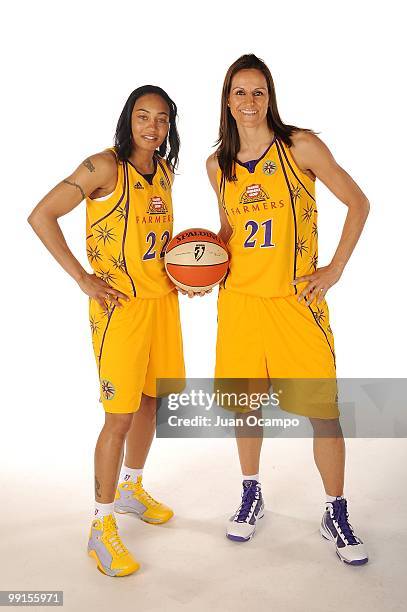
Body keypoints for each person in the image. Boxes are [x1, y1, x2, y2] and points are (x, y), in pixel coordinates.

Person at [206, 54, 370, 565]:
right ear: (227, 100)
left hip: (296, 303)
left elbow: (358, 203)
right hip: (239, 304)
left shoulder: (300, 147)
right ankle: (252, 491)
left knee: (324, 412)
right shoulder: (218, 165)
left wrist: (334, 269)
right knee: (245, 407)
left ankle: (335, 510)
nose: (249, 101)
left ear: (270, 97)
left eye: (258, 92)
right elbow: (229, 230)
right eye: (240, 92)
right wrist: (203, 267)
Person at [27, 85, 186, 577]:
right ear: (128, 119)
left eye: (162, 119)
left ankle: (131, 487)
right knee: (118, 416)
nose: (152, 127)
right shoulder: (103, 167)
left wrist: (186, 273)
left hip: (163, 304)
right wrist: (83, 278)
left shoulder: (161, 171)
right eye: (144, 116)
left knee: (151, 402)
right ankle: (100, 525)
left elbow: (153, 244)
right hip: (120, 308)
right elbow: (41, 215)